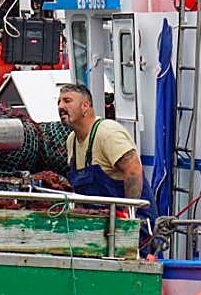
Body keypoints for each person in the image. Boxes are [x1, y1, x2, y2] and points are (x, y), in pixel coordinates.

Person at [57, 83, 151, 211]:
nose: (61, 106)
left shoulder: (107, 132)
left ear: (85, 106)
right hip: (98, 223)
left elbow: (133, 170)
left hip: (135, 223)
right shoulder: (71, 141)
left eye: (67, 101)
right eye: (59, 102)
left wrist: (129, 215)